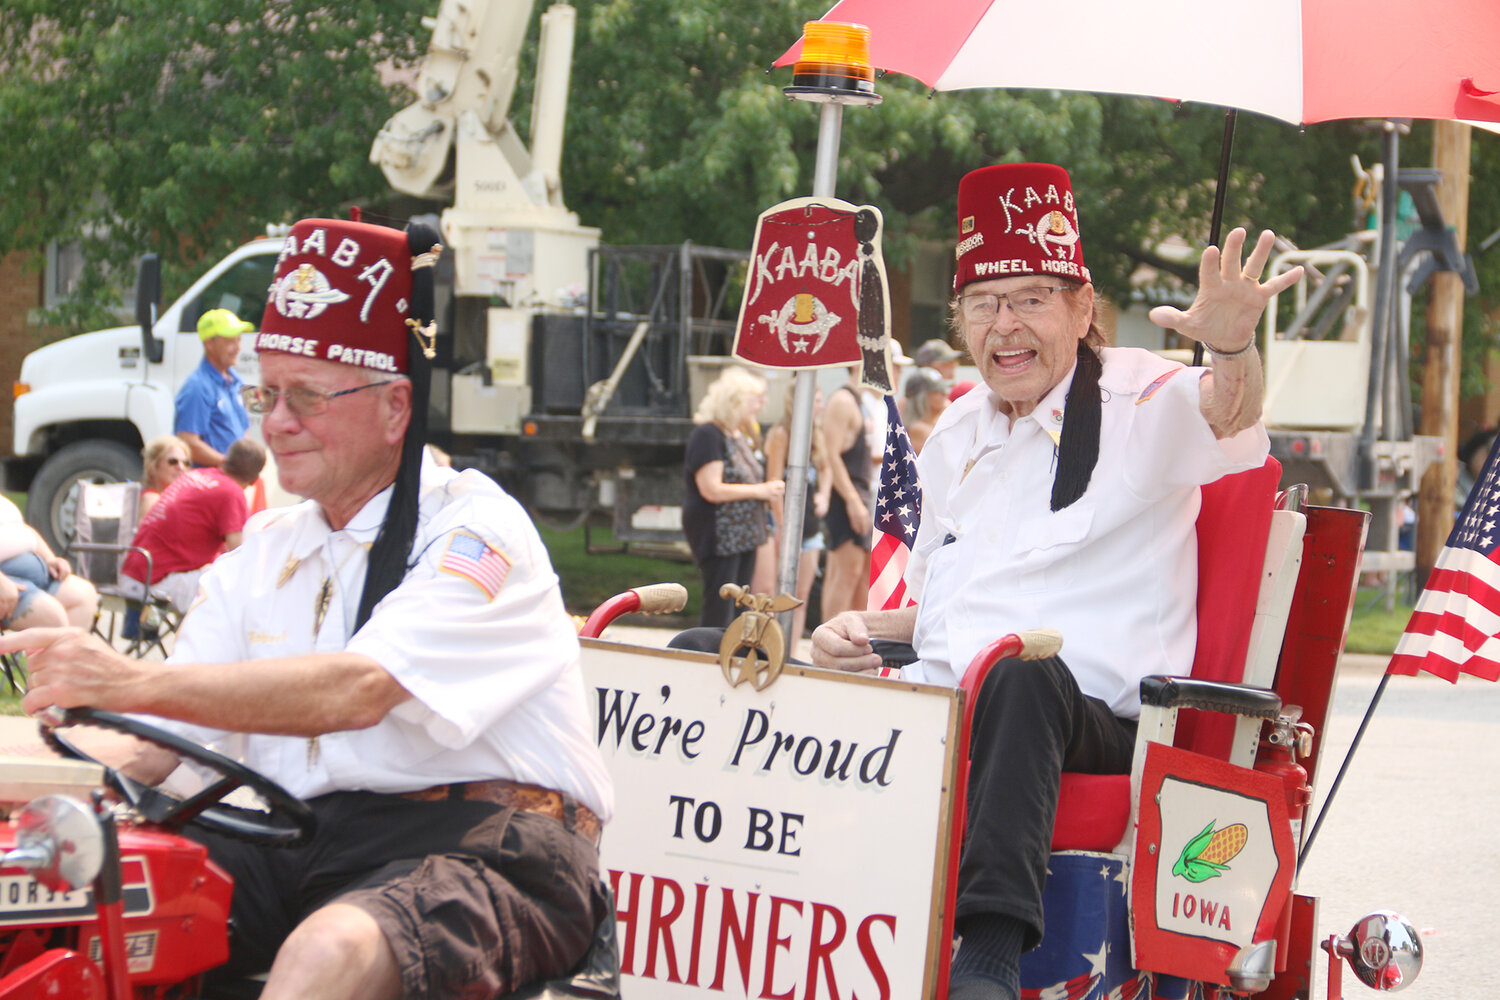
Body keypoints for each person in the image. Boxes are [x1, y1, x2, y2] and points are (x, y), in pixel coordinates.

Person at [2, 217, 613, 1000]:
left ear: (397, 407)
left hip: (491, 847)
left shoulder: (474, 528)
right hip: (305, 834)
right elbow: (158, 747)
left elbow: (358, 691)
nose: (276, 422)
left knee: (328, 953)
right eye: (266, 393)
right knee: (67, 892)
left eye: (307, 397)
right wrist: (29, 789)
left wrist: (125, 682)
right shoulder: (265, 549)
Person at [810, 162, 1300, 1000]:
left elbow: (1230, 409)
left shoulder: (1139, 397)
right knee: (712, 659)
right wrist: (859, 632)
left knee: (1023, 677)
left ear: (1084, 308)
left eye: (1033, 297)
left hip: (1094, 717)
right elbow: (938, 614)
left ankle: (989, 959)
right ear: (960, 320)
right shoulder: (957, 428)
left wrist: (1230, 344)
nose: (1006, 325)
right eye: (984, 303)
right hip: (950, 695)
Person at [683, 366, 785, 628]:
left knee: (740, 606)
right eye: (755, 400)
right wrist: (760, 490)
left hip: (743, 535)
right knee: (720, 604)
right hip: (720, 535)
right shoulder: (708, 434)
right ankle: (708, 658)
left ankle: (732, 657)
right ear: (734, 402)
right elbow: (711, 489)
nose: (761, 406)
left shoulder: (739, 433)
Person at [119, 437, 267, 613]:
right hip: (155, 583)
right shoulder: (231, 493)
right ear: (253, 480)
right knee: (241, 584)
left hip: (134, 574)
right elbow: (239, 554)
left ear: (225, 460)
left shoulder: (195, 475)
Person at [764, 383, 834, 645]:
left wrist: (824, 495)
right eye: (816, 400)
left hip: (811, 526)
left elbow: (827, 468)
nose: (821, 406)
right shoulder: (782, 434)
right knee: (777, 594)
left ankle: (790, 652)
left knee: (801, 595)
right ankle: (771, 649)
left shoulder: (817, 432)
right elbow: (774, 483)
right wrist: (782, 526)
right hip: (786, 523)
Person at [821, 364, 875, 621]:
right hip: (846, 496)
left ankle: (851, 646)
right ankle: (829, 648)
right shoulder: (842, 400)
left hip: (861, 492)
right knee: (844, 575)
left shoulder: (861, 401)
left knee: (862, 578)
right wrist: (852, 500)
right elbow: (830, 454)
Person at [0, 496, 98, 629]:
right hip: (7, 578)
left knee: (84, 594)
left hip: (34, 571)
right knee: (52, 617)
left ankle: (68, 649)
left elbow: (25, 530)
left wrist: (50, 559)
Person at [175, 308, 253, 468]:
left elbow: (243, 432)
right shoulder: (197, 386)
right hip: (210, 482)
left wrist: (252, 461)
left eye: (239, 340)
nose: (238, 348)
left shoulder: (236, 380)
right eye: (231, 342)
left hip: (233, 478)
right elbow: (187, 442)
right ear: (209, 344)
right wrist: (230, 465)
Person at [140, 434, 193, 519]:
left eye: (186, 463)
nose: (181, 467)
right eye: (173, 462)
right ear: (153, 466)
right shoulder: (151, 499)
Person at [902, 367, 952, 453]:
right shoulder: (917, 429)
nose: (945, 394)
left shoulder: (934, 424)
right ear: (921, 397)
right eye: (937, 391)